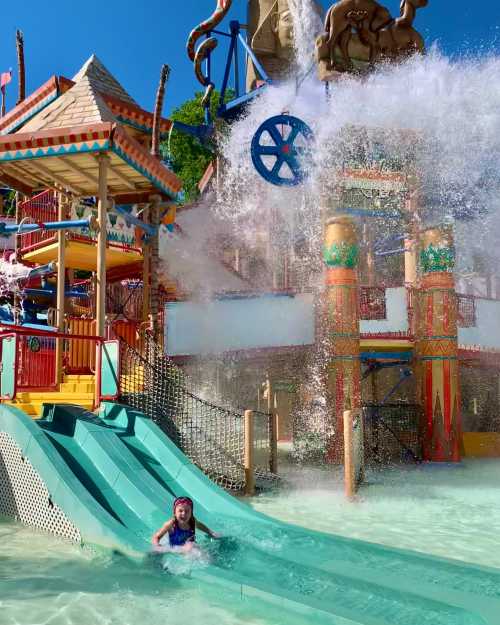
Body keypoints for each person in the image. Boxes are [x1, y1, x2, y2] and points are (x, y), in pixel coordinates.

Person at [151, 496, 219, 554]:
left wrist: (210, 532)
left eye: (187, 511)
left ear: (191, 513)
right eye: (180, 511)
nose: (183, 513)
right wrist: (157, 545)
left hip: (190, 548)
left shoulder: (192, 521)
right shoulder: (171, 524)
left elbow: (200, 526)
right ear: (174, 512)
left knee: (195, 548)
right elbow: (156, 537)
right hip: (175, 549)